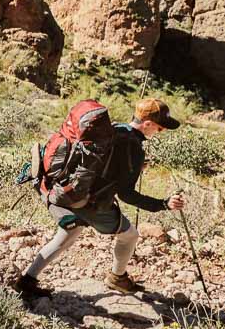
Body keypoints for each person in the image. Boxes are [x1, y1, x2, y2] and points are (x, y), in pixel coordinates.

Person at [15, 98, 186, 298]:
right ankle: (117, 278)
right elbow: (127, 195)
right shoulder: (134, 148)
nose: (160, 133)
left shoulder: (114, 129)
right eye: (160, 128)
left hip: (67, 190)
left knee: (68, 234)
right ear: (147, 123)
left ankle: (27, 280)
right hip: (90, 202)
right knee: (130, 236)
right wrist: (163, 204)